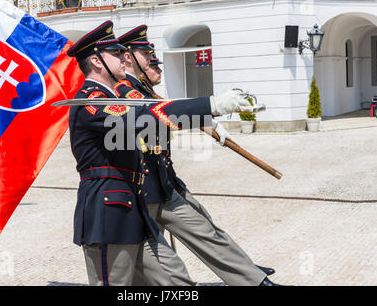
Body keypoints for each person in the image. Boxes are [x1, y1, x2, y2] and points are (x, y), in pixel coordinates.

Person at [66, 20, 256, 286]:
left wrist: (205, 116)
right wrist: (210, 105)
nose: (124, 57)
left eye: (124, 52)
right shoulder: (91, 103)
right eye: (116, 53)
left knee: (176, 282)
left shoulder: (112, 99)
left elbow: (150, 114)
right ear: (97, 62)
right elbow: (144, 117)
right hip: (109, 212)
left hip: (134, 209)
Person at [115, 25, 280, 286]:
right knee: (152, 263)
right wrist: (208, 110)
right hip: (143, 187)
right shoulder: (124, 91)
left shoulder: (141, 89)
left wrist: (205, 120)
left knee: (203, 229)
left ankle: (251, 278)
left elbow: (166, 111)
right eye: (145, 53)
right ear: (128, 57)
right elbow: (157, 115)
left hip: (162, 181)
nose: (150, 58)